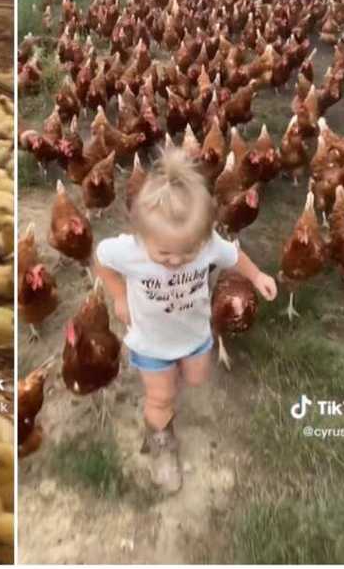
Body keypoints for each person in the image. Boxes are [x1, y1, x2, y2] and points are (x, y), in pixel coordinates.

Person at [93, 149, 277, 493]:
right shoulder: (128, 250)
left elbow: (233, 255)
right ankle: (161, 443)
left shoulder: (206, 243)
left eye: (187, 253)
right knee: (161, 396)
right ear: (142, 237)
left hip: (195, 334)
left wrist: (256, 275)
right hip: (151, 341)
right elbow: (100, 259)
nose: (176, 260)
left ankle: (170, 382)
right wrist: (118, 295)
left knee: (195, 378)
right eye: (164, 254)